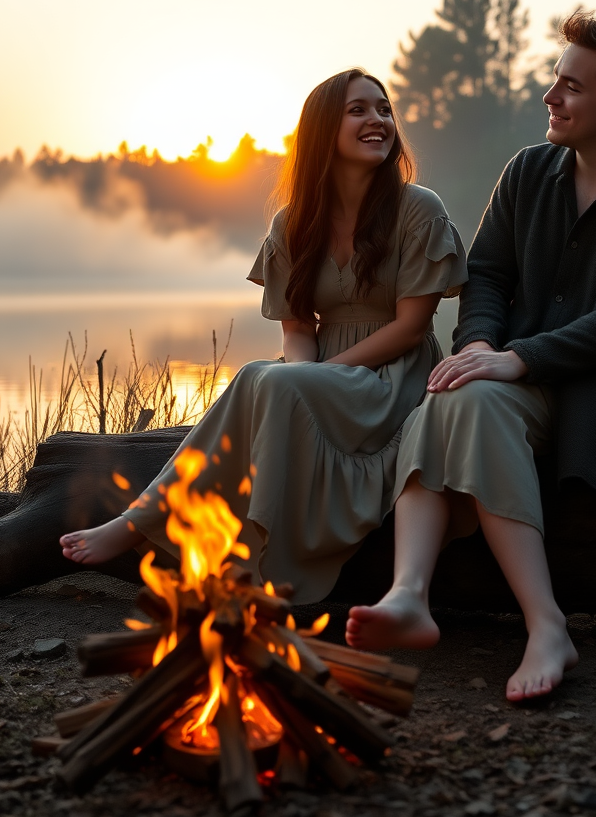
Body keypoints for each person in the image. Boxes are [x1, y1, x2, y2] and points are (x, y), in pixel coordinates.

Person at [346, 11, 596, 701]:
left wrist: (518, 359)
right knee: (453, 387)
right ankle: (409, 594)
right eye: (555, 79)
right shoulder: (528, 172)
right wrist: (480, 343)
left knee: (472, 393)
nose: (550, 96)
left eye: (570, 86)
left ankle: (545, 626)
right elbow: (487, 275)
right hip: (509, 383)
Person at [60, 69, 468, 602]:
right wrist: (304, 377)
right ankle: (210, 549)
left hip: (393, 380)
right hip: (320, 371)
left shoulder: (419, 208)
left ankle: (156, 528)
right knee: (269, 377)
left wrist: (313, 378)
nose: (378, 121)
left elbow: (412, 327)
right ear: (324, 130)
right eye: (359, 110)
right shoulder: (294, 222)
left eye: (384, 109)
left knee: (265, 379)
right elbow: (298, 330)